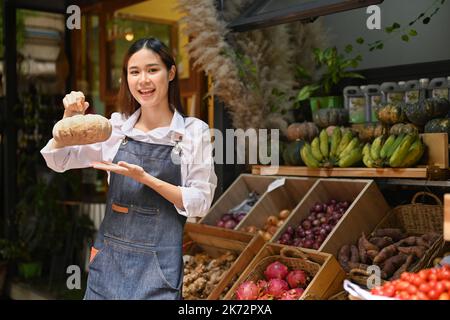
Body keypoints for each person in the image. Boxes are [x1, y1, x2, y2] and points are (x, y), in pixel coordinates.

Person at [40, 38, 217, 300]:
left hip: (159, 271)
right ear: (126, 79)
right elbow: (59, 160)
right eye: (134, 72)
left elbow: (201, 201)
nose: (143, 80)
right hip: (108, 266)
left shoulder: (193, 132)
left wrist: (147, 179)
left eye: (152, 70)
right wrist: (68, 120)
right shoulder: (115, 128)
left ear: (170, 73)